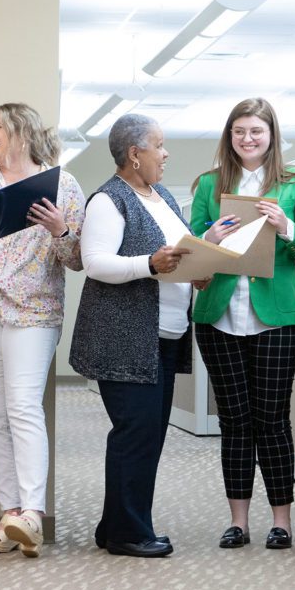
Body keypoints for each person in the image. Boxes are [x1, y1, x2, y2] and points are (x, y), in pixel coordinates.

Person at [0, 103, 85, 558]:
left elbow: (78, 258)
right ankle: (11, 516)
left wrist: (61, 230)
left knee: (22, 406)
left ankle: (33, 515)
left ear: (22, 133)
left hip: (34, 307)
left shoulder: (62, 183)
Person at [70, 113, 206, 558]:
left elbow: (179, 253)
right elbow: (96, 262)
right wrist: (149, 263)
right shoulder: (109, 201)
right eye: (159, 146)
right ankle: (129, 533)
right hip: (122, 338)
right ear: (134, 154)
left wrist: (198, 268)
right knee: (136, 432)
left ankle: (116, 526)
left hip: (163, 337)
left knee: (148, 434)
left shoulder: (162, 196)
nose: (165, 154)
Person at [190, 97, 295, 550]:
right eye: (239, 131)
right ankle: (239, 522)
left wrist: (287, 227)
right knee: (234, 421)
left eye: (256, 132)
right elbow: (191, 250)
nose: (247, 139)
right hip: (218, 315)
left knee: (273, 419)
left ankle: (281, 521)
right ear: (230, 136)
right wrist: (210, 237)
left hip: (276, 319)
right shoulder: (209, 183)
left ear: (272, 136)